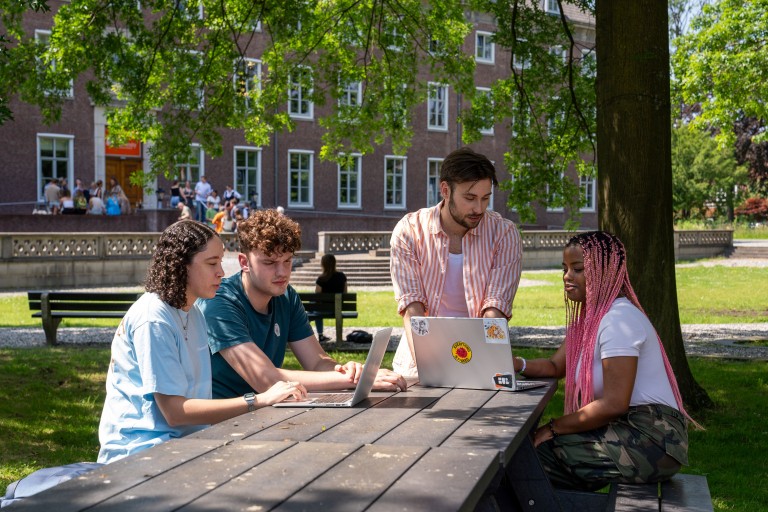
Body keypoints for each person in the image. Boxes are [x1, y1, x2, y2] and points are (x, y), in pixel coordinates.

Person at [97, 220, 307, 464]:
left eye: (220, 262)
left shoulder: (194, 313)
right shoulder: (152, 318)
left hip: (186, 447)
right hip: (139, 454)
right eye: (211, 263)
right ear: (180, 266)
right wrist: (258, 401)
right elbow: (175, 412)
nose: (221, 272)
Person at [515, 231, 694, 491]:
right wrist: (515, 363)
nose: (567, 276)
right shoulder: (591, 321)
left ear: (604, 271)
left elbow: (613, 404)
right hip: (626, 431)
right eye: (564, 268)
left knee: (530, 462)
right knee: (530, 463)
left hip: (652, 438)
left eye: (577, 269)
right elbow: (554, 367)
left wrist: (553, 428)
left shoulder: (618, 320)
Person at [198, 208, 407, 400]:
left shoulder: (286, 296)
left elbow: (316, 362)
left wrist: (347, 371)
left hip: (267, 413)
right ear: (244, 263)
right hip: (218, 423)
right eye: (270, 263)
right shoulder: (219, 301)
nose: (282, 272)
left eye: (288, 261)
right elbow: (265, 379)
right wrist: (354, 381)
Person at [389, 146, 522, 377]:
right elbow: (413, 311)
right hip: (419, 365)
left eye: (485, 198)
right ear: (445, 189)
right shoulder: (409, 231)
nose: (478, 208)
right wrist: (429, 370)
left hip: (481, 361)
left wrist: (489, 367)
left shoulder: (504, 234)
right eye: (469, 198)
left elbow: (495, 311)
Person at [314, 253, 348, 342]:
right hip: (338, 308)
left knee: (314, 308)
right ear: (334, 263)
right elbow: (345, 293)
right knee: (315, 308)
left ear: (323, 264)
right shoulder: (342, 276)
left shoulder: (321, 279)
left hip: (323, 309)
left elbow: (317, 296)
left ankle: (320, 335)